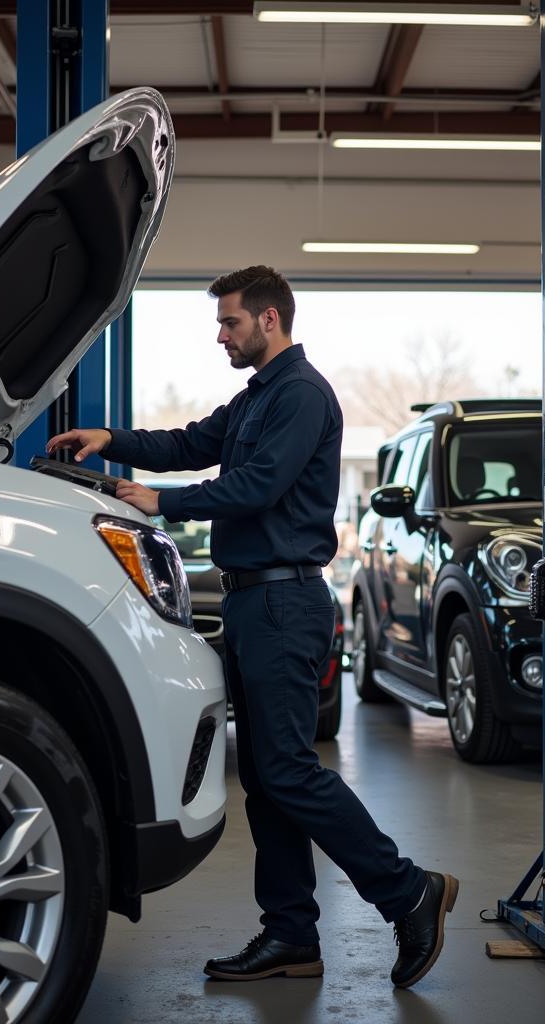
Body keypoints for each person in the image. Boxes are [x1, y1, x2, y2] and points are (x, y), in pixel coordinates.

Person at [46, 265, 458, 988]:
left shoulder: (300, 394)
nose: (221, 335)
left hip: (282, 602)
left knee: (290, 772)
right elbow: (188, 441)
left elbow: (258, 485)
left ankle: (409, 891)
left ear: (270, 320)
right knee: (269, 783)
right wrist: (109, 439)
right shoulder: (257, 397)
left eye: (230, 322)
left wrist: (163, 503)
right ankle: (292, 937)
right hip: (251, 604)